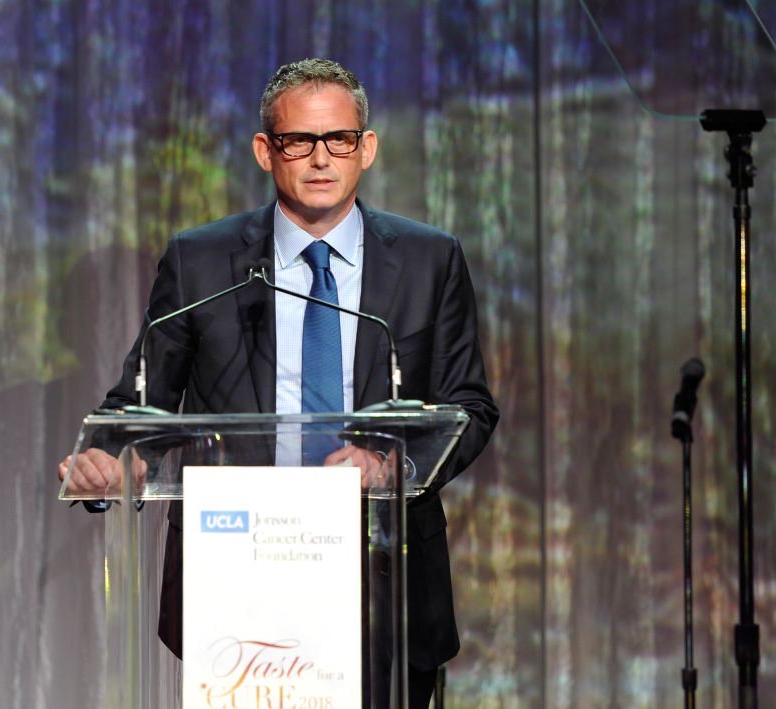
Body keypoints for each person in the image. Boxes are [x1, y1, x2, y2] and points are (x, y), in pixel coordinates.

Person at [59, 57, 499, 708]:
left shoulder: (431, 260)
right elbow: (142, 401)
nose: (321, 159)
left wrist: (389, 465)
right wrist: (110, 461)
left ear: (366, 148)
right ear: (268, 151)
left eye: (339, 140)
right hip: (237, 580)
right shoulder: (202, 261)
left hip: (384, 576)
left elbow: (469, 405)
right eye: (299, 141)